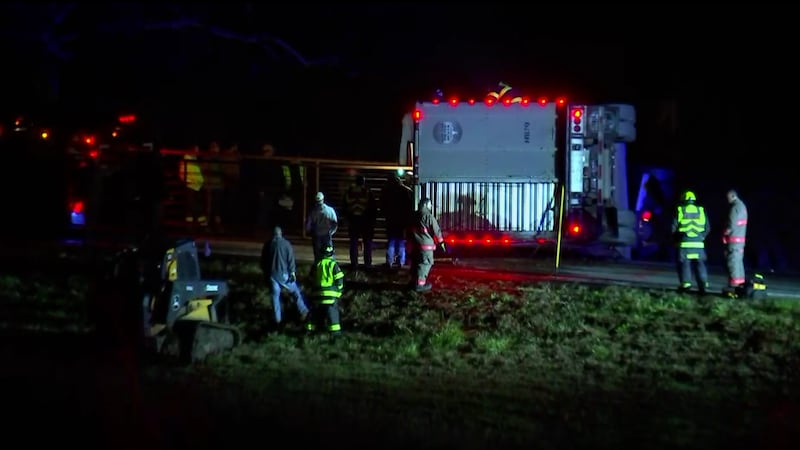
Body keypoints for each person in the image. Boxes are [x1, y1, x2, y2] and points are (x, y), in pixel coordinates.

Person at [260, 226, 309, 328]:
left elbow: (263, 261)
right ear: (281, 234)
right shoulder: (286, 244)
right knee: (295, 291)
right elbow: (290, 259)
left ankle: (277, 319)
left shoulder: (268, 244)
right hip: (283, 274)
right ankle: (303, 310)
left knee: (275, 296)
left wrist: (266, 273)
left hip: (272, 275)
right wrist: (292, 272)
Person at [671, 190, 710, 294]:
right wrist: (701, 237)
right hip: (698, 244)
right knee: (700, 264)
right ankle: (703, 285)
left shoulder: (680, 210)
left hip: (684, 244)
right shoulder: (701, 210)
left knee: (685, 264)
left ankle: (686, 285)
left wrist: (676, 240)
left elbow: (673, 228)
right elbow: (707, 228)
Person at [305, 244, 344, 337]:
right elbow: (339, 279)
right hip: (331, 296)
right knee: (332, 314)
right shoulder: (333, 265)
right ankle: (335, 334)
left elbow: (311, 278)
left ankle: (310, 330)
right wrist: (339, 292)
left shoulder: (317, 264)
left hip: (317, 295)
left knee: (315, 314)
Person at [409, 197, 445, 292]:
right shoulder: (428, 216)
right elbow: (436, 230)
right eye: (430, 204)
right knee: (425, 264)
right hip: (426, 246)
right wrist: (442, 243)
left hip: (415, 245)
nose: (431, 206)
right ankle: (420, 284)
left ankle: (413, 281)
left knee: (416, 263)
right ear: (425, 205)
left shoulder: (414, 215)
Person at [343, 174, 377, 268]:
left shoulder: (349, 192)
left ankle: (354, 263)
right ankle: (367, 263)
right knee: (367, 243)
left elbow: (344, 206)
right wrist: (373, 221)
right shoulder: (367, 192)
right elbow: (373, 208)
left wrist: (347, 218)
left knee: (353, 242)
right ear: (363, 181)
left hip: (353, 221)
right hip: (366, 221)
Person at [381, 172, 413, 269]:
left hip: (390, 219)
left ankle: (389, 261)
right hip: (402, 220)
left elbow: (382, 205)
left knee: (391, 240)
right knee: (401, 240)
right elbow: (409, 205)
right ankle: (401, 261)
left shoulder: (386, 190)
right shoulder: (405, 190)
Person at [723, 189, 748, 292]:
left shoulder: (734, 208)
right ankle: (740, 283)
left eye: (728, 198)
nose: (727, 200)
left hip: (733, 241)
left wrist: (725, 233)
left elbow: (731, 225)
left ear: (733, 196)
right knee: (738, 262)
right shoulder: (742, 206)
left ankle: (733, 285)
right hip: (740, 241)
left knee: (732, 262)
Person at [305, 191, 338, 261]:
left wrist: (310, 232)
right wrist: (331, 232)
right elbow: (335, 223)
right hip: (327, 235)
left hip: (317, 236)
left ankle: (319, 269)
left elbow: (308, 226)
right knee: (329, 255)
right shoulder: (330, 210)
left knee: (318, 256)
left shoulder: (313, 212)